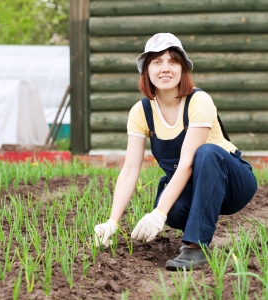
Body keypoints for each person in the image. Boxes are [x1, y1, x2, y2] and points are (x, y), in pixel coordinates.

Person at [94, 33, 257, 271]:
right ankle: (194, 224)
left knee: (207, 153)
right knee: (173, 208)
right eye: (157, 62)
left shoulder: (198, 101)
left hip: (234, 182)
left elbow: (187, 163)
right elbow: (130, 170)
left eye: (173, 61)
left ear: (183, 68)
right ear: (146, 70)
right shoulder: (140, 112)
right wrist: (112, 221)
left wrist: (158, 214)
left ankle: (196, 247)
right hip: (194, 185)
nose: (165, 68)